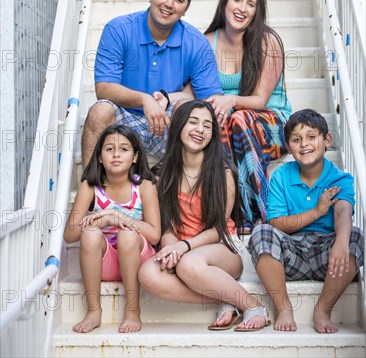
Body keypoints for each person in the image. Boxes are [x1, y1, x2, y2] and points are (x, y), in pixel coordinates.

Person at [138, 99, 271, 332]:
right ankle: (225, 297)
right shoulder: (161, 175)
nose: (200, 129)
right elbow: (166, 226)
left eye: (207, 125)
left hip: (222, 248)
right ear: (179, 126)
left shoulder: (223, 173)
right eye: (193, 122)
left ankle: (253, 306)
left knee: (189, 264)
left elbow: (217, 229)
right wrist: (171, 249)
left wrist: (184, 248)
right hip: (183, 249)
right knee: (147, 273)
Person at [82, 0, 222, 167]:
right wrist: (144, 99)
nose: (169, 4)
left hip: (167, 124)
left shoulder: (196, 43)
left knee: (189, 112)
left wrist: (173, 99)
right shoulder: (119, 29)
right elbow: (103, 88)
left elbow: (210, 99)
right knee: (99, 111)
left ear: (186, 8)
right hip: (125, 119)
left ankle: (181, 188)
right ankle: (90, 189)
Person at [248, 109, 364, 333]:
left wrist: (341, 242)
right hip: (290, 256)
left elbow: (343, 212)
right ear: (289, 147)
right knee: (261, 231)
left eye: (312, 137)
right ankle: (283, 308)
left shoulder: (340, 178)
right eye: (296, 139)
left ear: (327, 140)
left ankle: (323, 310)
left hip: (329, 258)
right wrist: (317, 212)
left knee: (355, 235)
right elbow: (277, 223)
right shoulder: (282, 176)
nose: (304, 144)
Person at [204, 0, 292, 233]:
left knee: (239, 119)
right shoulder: (207, 41)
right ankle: (226, 214)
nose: (242, 8)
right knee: (217, 119)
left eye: (250, 4)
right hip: (231, 126)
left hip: (273, 125)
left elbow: (260, 100)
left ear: (257, 11)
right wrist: (164, 97)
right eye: (237, 0)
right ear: (225, 3)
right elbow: (191, 91)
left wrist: (231, 99)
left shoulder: (267, 41)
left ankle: (258, 213)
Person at [64, 124, 161, 334]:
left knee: (127, 234)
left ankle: (133, 309)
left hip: (139, 261)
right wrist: (103, 220)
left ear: (135, 157)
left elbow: (154, 235)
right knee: (89, 234)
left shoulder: (145, 185)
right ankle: (93, 311)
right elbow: (70, 235)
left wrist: (118, 217)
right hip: (105, 265)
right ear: (99, 157)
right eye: (109, 149)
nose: (116, 154)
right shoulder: (90, 186)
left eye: (124, 149)